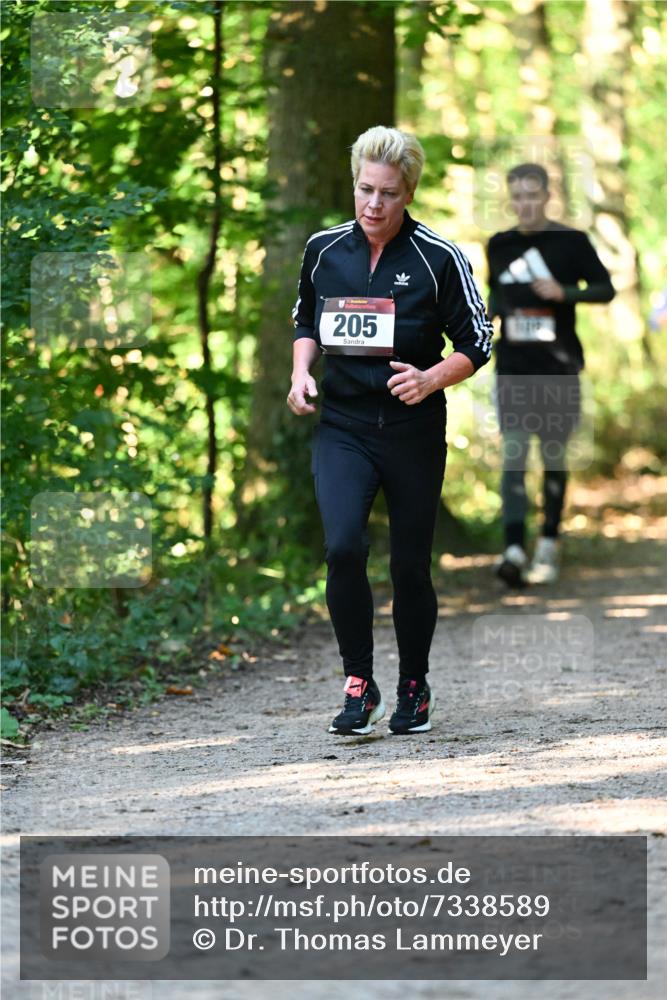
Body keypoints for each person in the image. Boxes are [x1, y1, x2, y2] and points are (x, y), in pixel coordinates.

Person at [287, 126, 492, 735]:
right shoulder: (324, 250)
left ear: (409, 194)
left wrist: (430, 379)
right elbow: (306, 320)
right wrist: (300, 374)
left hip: (412, 429)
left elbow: (478, 340)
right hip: (344, 426)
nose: (373, 204)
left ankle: (413, 685)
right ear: (354, 184)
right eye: (365, 189)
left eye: (388, 193)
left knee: (409, 566)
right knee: (343, 548)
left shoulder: (438, 257)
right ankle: (359, 683)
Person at [487, 163, 615, 587]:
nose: (525, 204)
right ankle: (512, 549)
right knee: (513, 455)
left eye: (532, 195)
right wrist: (488, 314)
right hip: (512, 367)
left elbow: (605, 288)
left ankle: (547, 545)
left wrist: (565, 293)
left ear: (547, 196)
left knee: (553, 458)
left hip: (558, 367)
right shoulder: (500, 244)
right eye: (517, 196)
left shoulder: (571, 242)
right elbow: (496, 292)